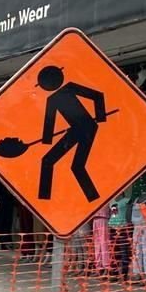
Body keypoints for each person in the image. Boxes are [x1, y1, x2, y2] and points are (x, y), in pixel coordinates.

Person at [36, 65, 107, 202]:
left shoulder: (69, 89)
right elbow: (49, 126)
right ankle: (91, 197)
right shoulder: (54, 99)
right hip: (80, 129)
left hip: (86, 128)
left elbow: (97, 96)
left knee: (56, 162)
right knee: (70, 165)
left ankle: (45, 198)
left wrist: (101, 116)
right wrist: (46, 140)